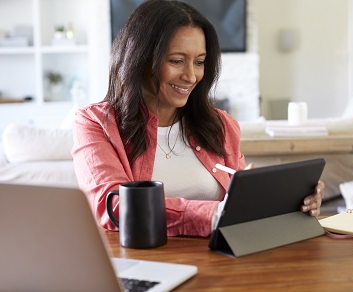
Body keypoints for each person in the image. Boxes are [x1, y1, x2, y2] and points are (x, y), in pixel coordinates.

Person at [72, 0, 325, 237]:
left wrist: (292, 201)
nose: (191, 76)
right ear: (140, 59)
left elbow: (239, 207)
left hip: (221, 262)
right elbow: (114, 207)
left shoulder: (221, 125)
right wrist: (212, 216)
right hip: (145, 263)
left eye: (200, 62)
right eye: (177, 61)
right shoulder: (95, 124)